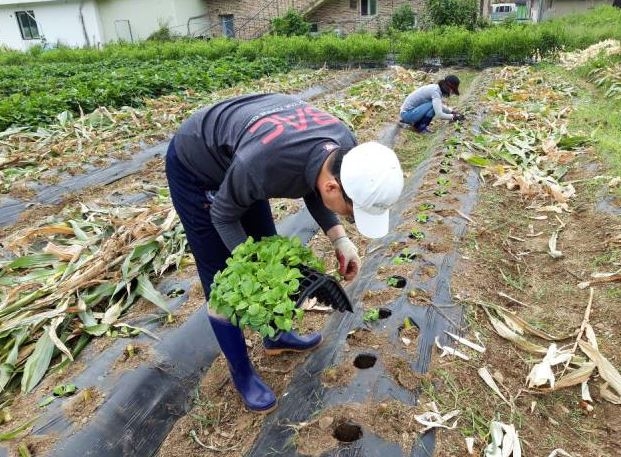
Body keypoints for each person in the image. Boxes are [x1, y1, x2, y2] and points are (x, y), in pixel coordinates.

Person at [165, 93, 404, 413]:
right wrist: (254, 269)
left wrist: (339, 239)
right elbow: (222, 214)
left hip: (244, 155)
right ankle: (243, 375)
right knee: (223, 277)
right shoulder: (263, 164)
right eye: (352, 213)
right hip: (197, 164)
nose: (350, 219)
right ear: (335, 188)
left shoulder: (343, 144)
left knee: (266, 241)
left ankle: (275, 336)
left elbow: (315, 179)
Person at [399, 74, 464, 133]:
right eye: (452, 90)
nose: (451, 93)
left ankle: (418, 126)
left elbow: (438, 106)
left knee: (433, 105)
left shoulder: (436, 88)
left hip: (410, 113)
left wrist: (451, 112)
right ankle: (420, 127)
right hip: (407, 115)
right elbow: (439, 114)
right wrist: (454, 117)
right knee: (432, 106)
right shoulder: (435, 92)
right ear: (448, 87)